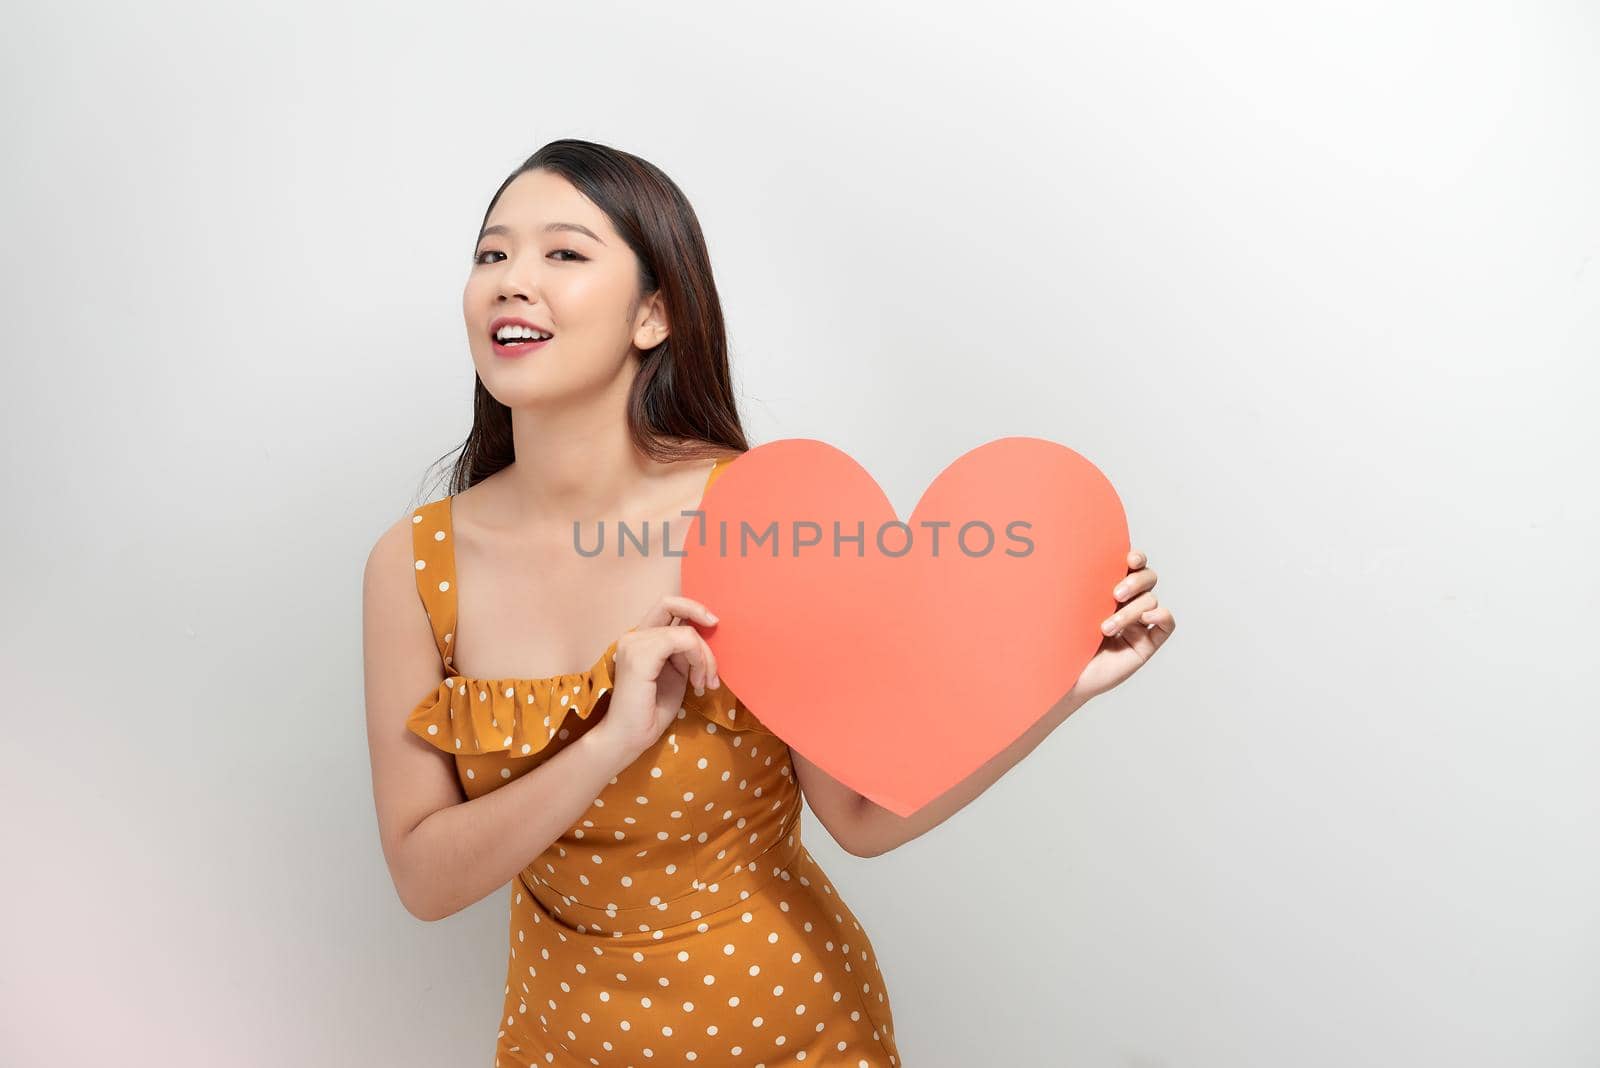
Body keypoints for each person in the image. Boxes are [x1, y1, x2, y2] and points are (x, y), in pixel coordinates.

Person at [362, 139, 1173, 1066]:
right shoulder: (413, 566)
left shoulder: (755, 517)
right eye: (491, 254)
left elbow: (862, 820)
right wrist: (615, 740)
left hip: (798, 1035)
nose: (512, 280)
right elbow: (424, 876)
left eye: (565, 253)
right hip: (558, 1046)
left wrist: (1061, 684)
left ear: (655, 314)